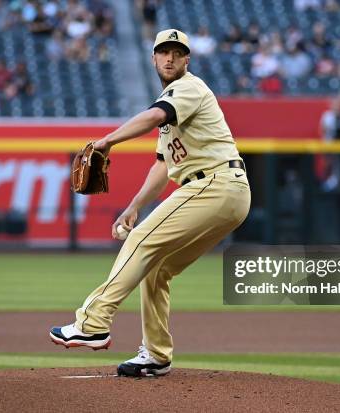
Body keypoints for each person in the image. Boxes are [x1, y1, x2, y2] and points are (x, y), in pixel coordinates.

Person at [49, 29, 250, 377]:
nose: (170, 58)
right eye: (163, 52)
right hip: (225, 191)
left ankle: (93, 321)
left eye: (177, 52)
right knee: (156, 267)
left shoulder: (188, 88)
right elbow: (162, 165)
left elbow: (155, 116)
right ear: (154, 58)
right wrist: (134, 206)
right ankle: (157, 354)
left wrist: (108, 140)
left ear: (187, 59)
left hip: (215, 182)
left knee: (140, 240)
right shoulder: (175, 101)